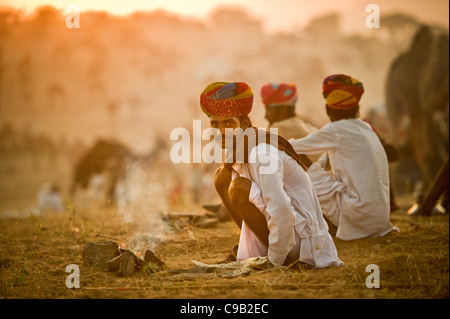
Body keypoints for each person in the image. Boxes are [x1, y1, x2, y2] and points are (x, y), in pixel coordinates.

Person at [200, 81, 343, 268]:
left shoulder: (262, 153)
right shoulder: (242, 144)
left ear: (244, 124)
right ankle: (258, 248)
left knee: (238, 189)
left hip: (306, 244)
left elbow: (281, 208)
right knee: (223, 176)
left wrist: (274, 261)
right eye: (215, 124)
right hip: (286, 229)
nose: (221, 132)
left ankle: (281, 257)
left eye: (228, 123)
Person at [288, 74, 398, 241]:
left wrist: (264, 140)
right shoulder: (365, 127)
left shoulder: (336, 130)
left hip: (358, 216)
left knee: (298, 157)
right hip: (380, 219)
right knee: (314, 172)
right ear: (356, 108)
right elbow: (324, 160)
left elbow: (293, 147)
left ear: (328, 109)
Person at [260, 82, 321, 162]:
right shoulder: (308, 126)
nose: (266, 116)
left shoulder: (279, 128)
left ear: (282, 110)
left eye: (268, 110)